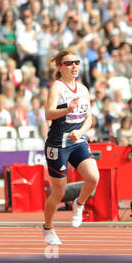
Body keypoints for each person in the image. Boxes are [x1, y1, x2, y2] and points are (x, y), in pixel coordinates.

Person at [42, 49, 99, 245]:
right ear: (60, 67)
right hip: (58, 143)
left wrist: (81, 133)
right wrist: (67, 109)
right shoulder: (57, 87)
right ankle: (48, 227)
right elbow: (48, 114)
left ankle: (79, 203)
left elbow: (89, 118)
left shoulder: (83, 89)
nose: (74, 66)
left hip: (77, 140)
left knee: (93, 178)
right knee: (58, 192)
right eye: (69, 63)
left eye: (76, 62)